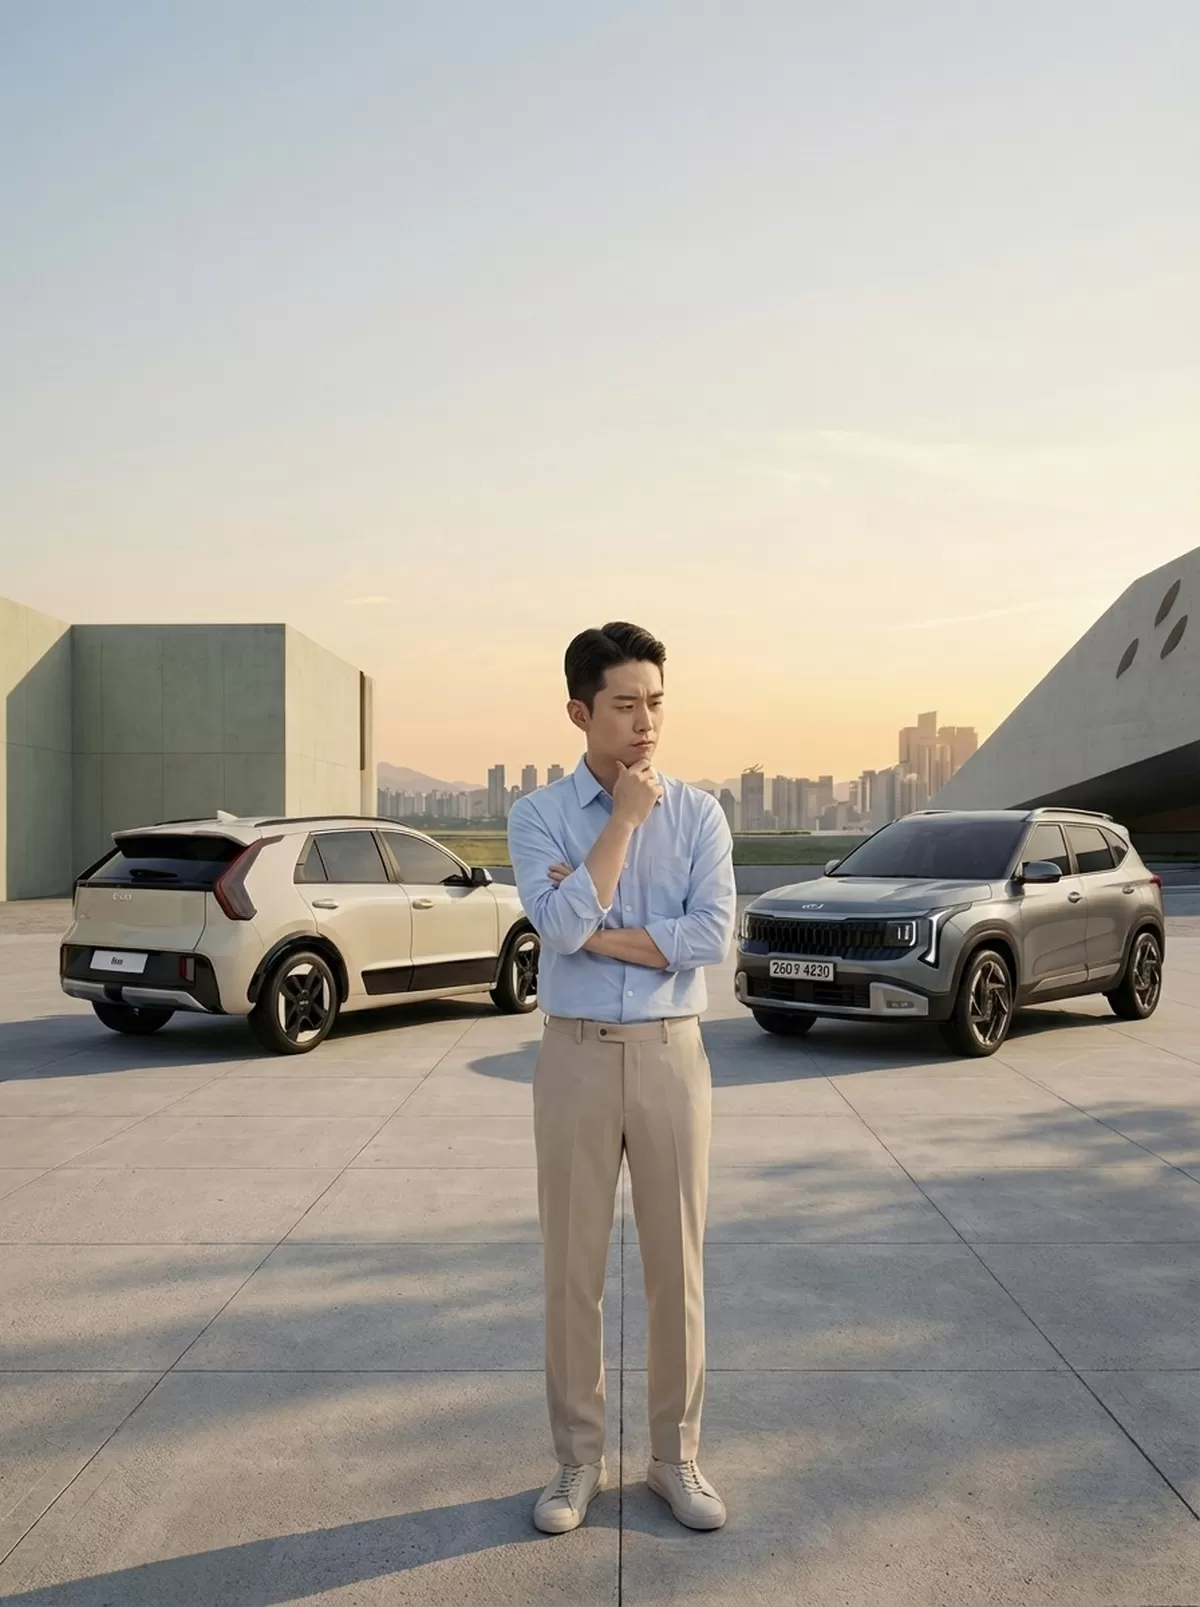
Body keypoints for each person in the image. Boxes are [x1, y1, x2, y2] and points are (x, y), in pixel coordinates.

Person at [507, 621, 736, 1536]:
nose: (647, 723)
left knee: (677, 1266)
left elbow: (708, 936)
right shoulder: (537, 815)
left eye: (657, 703)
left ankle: (675, 1458)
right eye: (626, 705)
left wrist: (594, 926)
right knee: (573, 1267)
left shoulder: (702, 814)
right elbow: (555, 929)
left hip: (673, 1053)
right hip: (575, 1055)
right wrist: (624, 824)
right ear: (580, 712)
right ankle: (577, 1460)